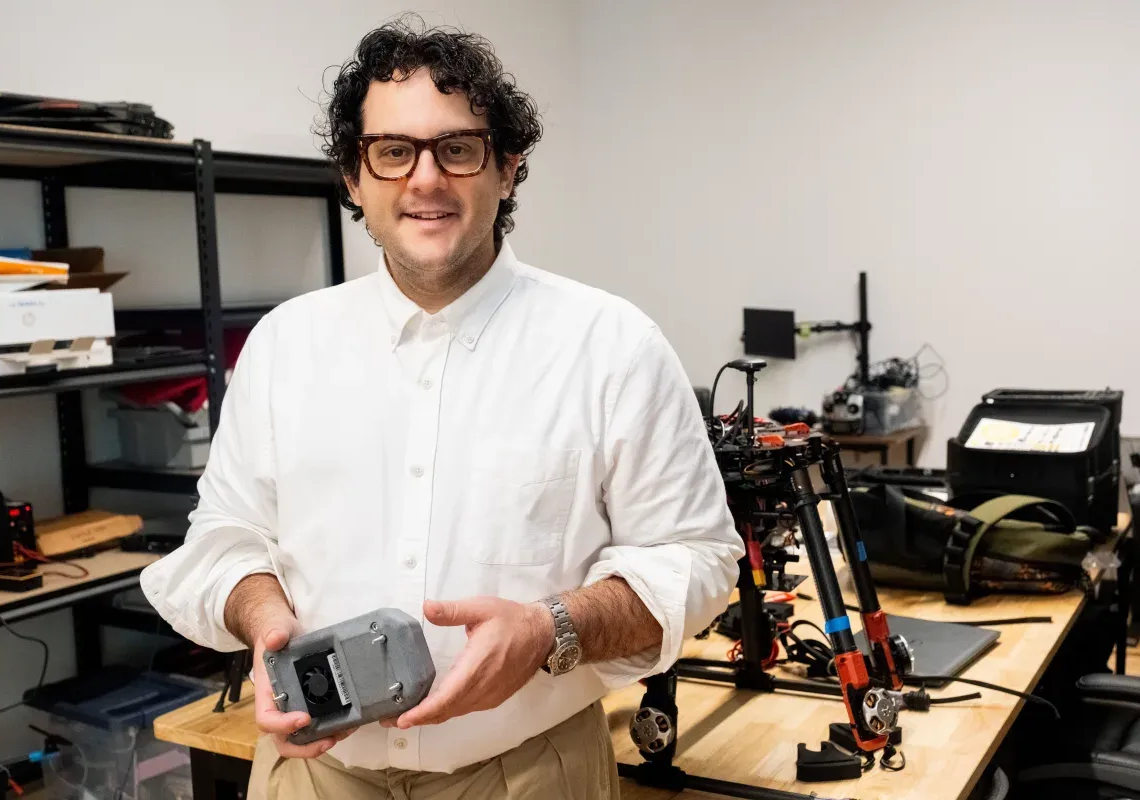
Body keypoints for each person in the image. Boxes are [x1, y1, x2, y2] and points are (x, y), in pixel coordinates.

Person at [139, 17, 743, 800]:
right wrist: (263, 619)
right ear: (354, 180)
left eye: (457, 148)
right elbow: (225, 538)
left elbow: (696, 558)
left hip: (529, 773)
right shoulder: (286, 346)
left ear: (508, 168)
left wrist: (549, 630)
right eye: (392, 152)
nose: (425, 179)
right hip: (314, 772)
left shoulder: (613, 346)